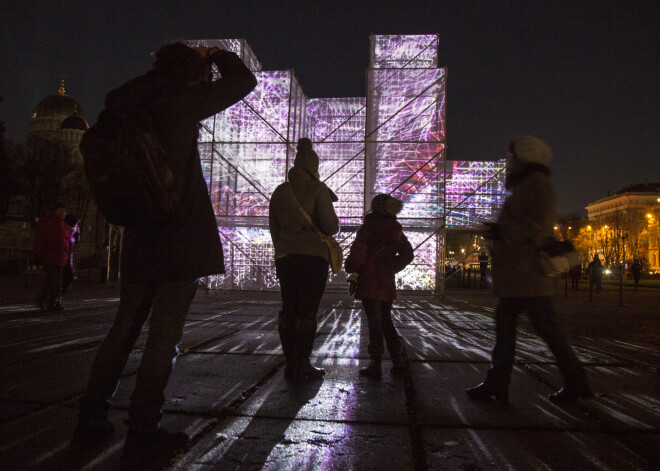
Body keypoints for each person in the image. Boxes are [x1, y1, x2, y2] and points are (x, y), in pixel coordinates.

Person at [71, 42, 257, 466]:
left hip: (139, 240)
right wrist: (214, 55)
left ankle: (90, 417)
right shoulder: (180, 102)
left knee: (122, 329)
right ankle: (143, 429)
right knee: (163, 338)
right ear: (190, 73)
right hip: (178, 240)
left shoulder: (125, 105)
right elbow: (244, 81)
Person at [466, 136, 592, 404]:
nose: (509, 160)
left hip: (529, 274)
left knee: (547, 330)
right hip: (518, 274)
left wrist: (502, 231)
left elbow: (538, 225)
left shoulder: (536, 184)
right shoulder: (526, 183)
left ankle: (575, 381)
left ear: (524, 156)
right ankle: (498, 382)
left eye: (513, 156)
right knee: (507, 327)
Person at [269, 138, 339, 381]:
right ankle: (303, 362)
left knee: (289, 309)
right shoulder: (318, 189)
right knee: (308, 310)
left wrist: (285, 246)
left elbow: (274, 228)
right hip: (313, 257)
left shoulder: (280, 191)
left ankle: (290, 362)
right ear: (313, 166)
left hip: (286, 256)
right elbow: (331, 226)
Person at [345, 194, 414, 379]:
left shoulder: (368, 229)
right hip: (386, 283)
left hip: (369, 283)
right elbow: (408, 254)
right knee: (386, 320)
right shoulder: (395, 229)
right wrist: (392, 267)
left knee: (374, 323)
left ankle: (375, 364)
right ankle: (397, 360)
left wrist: (350, 267)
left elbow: (358, 256)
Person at [33, 203, 70, 311]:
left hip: (60, 258)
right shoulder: (48, 223)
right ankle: (51, 302)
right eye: (61, 210)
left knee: (55, 282)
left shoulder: (62, 224)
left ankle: (50, 301)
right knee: (54, 282)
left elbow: (66, 241)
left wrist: (65, 254)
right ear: (56, 211)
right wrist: (39, 255)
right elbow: (40, 240)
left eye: (64, 211)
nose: (63, 213)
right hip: (50, 257)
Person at [62, 214, 81, 293]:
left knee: (65, 282)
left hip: (67, 262)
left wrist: (77, 232)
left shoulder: (71, 237)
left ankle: (56, 300)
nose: (75, 229)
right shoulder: (64, 235)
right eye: (74, 226)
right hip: (62, 262)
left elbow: (77, 239)